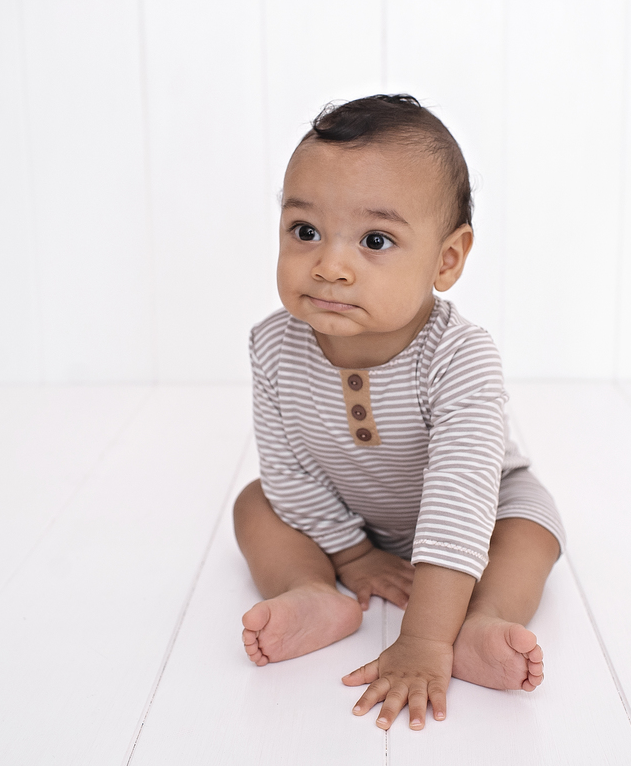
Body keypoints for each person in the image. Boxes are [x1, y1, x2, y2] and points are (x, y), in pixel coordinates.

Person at [234, 94, 566, 732]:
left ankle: (482, 619)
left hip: (481, 505)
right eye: (305, 231)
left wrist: (423, 640)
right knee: (255, 502)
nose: (329, 265)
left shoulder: (458, 358)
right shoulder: (273, 346)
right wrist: (352, 555)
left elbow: (461, 498)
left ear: (447, 260)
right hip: (353, 514)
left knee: (530, 532)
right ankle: (307, 589)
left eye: (375, 240)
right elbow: (290, 472)